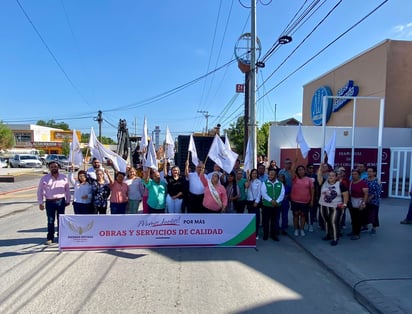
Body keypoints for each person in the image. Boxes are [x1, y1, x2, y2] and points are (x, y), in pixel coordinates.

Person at [37, 161, 71, 245]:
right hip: (49, 202)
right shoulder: (44, 178)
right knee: (50, 220)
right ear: (49, 168)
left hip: (61, 201)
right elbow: (40, 191)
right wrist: (40, 202)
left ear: (58, 167)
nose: (54, 168)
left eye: (55, 166)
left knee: (61, 220)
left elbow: (67, 190)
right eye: (52, 167)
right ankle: (50, 238)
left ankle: (61, 237)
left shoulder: (64, 177)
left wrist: (68, 200)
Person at [317, 164, 349, 246]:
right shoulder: (323, 182)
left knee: (334, 222)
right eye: (329, 175)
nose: (330, 177)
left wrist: (345, 204)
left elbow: (346, 195)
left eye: (333, 175)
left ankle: (335, 238)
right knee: (326, 221)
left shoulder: (340, 185)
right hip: (323, 206)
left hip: (335, 207)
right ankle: (328, 235)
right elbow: (319, 174)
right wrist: (321, 166)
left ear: (336, 177)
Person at [260, 169, 285, 241]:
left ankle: (273, 235)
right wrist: (271, 200)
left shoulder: (280, 184)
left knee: (274, 221)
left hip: (276, 206)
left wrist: (276, 201)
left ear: (275, 176)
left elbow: (282, 194)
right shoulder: (264, 183)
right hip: (266, 205)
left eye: (272, 174)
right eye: (269, 174)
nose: (270, 176)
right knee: (265, 221)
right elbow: (263, 193)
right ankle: (265, 234)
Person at [290, 164, 314, 237]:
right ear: (297, 171)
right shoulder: (295, 178)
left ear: (304, 171)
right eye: (299, 170)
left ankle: (302, 229)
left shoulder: (309, 179)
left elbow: (312, 190)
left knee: (303, 215)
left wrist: (312, 200)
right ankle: (296, 229)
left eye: (302, 169)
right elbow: (291, 171)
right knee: (296, 215)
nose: (301, 171)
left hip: (305, 201)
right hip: (295, 201)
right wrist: (295, 162)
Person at [348, 169, 369, 240]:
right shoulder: (351, 182)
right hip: (352, 202)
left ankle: (357, 234)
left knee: (358, 219)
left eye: (355, 174)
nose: (353, 175)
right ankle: (353, 231)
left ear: (359, 175)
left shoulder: (362, 183)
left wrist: (363, 203)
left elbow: (366, 194)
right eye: (352, 174)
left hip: (359, 201)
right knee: (353, 218)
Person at [245, 169, 262, 239]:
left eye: (255, 173)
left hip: (255, 202)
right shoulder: (248, 182)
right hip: (249, 201)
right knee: (250, 218)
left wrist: (257, 201)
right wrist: (248, 178)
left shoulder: (259, 182)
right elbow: (246, 188)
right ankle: (251, 233)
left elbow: (259, 193)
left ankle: (256, 234)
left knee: (256, 218)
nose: (254, 175)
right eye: (253, 173)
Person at [365, 166, 381, 234]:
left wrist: (370, 198)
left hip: (374, 201)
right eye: (368, 171)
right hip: (365, 199)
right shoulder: (365, 180)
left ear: (374, 173)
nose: (368, 173)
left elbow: (377, 191)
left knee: (374, 214)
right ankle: (365, 226)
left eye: (370, 171)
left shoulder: (377, 181)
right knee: (365, 213)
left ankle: (373, 228)